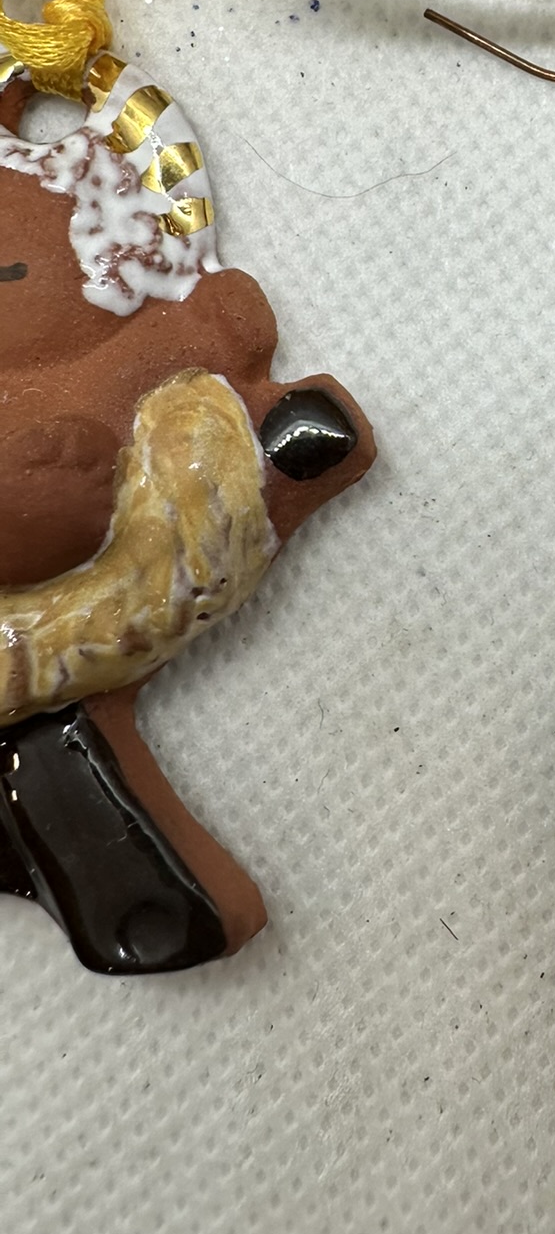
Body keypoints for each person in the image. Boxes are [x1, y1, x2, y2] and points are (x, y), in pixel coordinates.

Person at [0, 51, 373, 973]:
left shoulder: (119, 322)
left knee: (196, 441)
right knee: (51, 757)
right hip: (42, 628)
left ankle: (283, 457)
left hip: (127, 566)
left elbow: (190, 344)